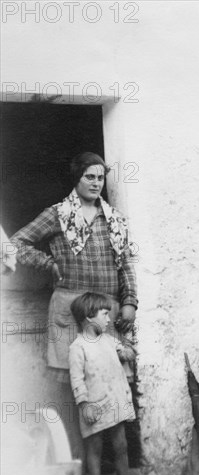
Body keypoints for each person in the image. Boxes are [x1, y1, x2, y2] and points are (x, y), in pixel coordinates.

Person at [10, 152, 138, 457]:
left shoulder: (115, 218)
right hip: (70, 310)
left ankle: (111, 470)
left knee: (112, 384)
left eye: (100, 177)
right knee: (75, 389)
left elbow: (126, 263)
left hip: (108, 311)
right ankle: (75, 468)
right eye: (89, 177)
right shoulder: (57, 214)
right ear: (76, 178)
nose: (96, 183)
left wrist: (130, 302)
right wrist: (47, 262)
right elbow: (13, 244)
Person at [69, 291, 148, 475]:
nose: (108, 319)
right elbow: (76, 378)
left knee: (121, 446)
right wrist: (83, 404)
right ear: (88, 316)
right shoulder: (78, 347)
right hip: (94, 406)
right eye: (104, 314)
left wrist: (127, 352)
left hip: (115, 401)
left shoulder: (109, 340)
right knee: (94, 449)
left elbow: (124, 352)